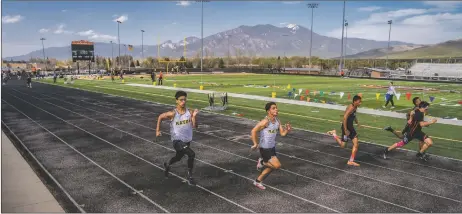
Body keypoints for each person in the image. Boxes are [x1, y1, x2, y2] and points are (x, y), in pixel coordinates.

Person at [156, 91, 199, 186]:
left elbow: (195, 126)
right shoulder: (173, 113)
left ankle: (167, 165)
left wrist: (194, 117)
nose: (183, 101)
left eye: (184, 99)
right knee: (191, 154)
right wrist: (157, 130)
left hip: (186, 140)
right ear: (177, 101)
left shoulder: (190, 112)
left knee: (178, 157)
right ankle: (190, 177)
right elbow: (160, 117)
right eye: (181, 100)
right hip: (177, 141)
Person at [251, 102, 291, 190]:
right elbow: (253, 131)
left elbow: (282, 134)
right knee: (277, 166)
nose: (276, 109)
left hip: (272, 148)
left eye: (276, 108)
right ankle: (262, 162)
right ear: (268, 111)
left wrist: (287, 130)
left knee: (272, 167)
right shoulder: (265, 122)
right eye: (273, 108)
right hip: (264, 148)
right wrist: (255, 143)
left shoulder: (277, 120)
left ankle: (257, 181)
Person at [327, 95, 362, 166]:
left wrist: (357, 122)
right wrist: (345, 129)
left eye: (360, 102)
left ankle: (351, 161)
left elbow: (354, 115)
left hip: (351, 128)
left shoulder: (355, 107)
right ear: (354, 101)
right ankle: (334, 134)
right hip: (346, 128)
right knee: (343, 145)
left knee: (356, 144)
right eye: (359, 102)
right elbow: (345, 118)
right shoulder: (351, 107)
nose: (360, 103)